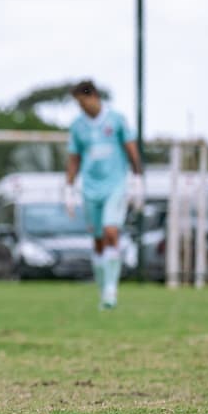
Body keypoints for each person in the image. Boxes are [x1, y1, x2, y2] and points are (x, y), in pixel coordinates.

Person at [64, 79, 144, 310]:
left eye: (83, 102)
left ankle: (111, 290)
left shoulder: (116, 120)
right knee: (98, 239)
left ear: (94, 97)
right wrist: (68, 188)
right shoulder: (78, 126)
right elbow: (74, 159)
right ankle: (103, 289)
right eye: (78, 104)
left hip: (115, 184)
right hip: (90, 187)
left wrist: (138, 178)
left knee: (111, 231)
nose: (82, 107)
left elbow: (131, 149)